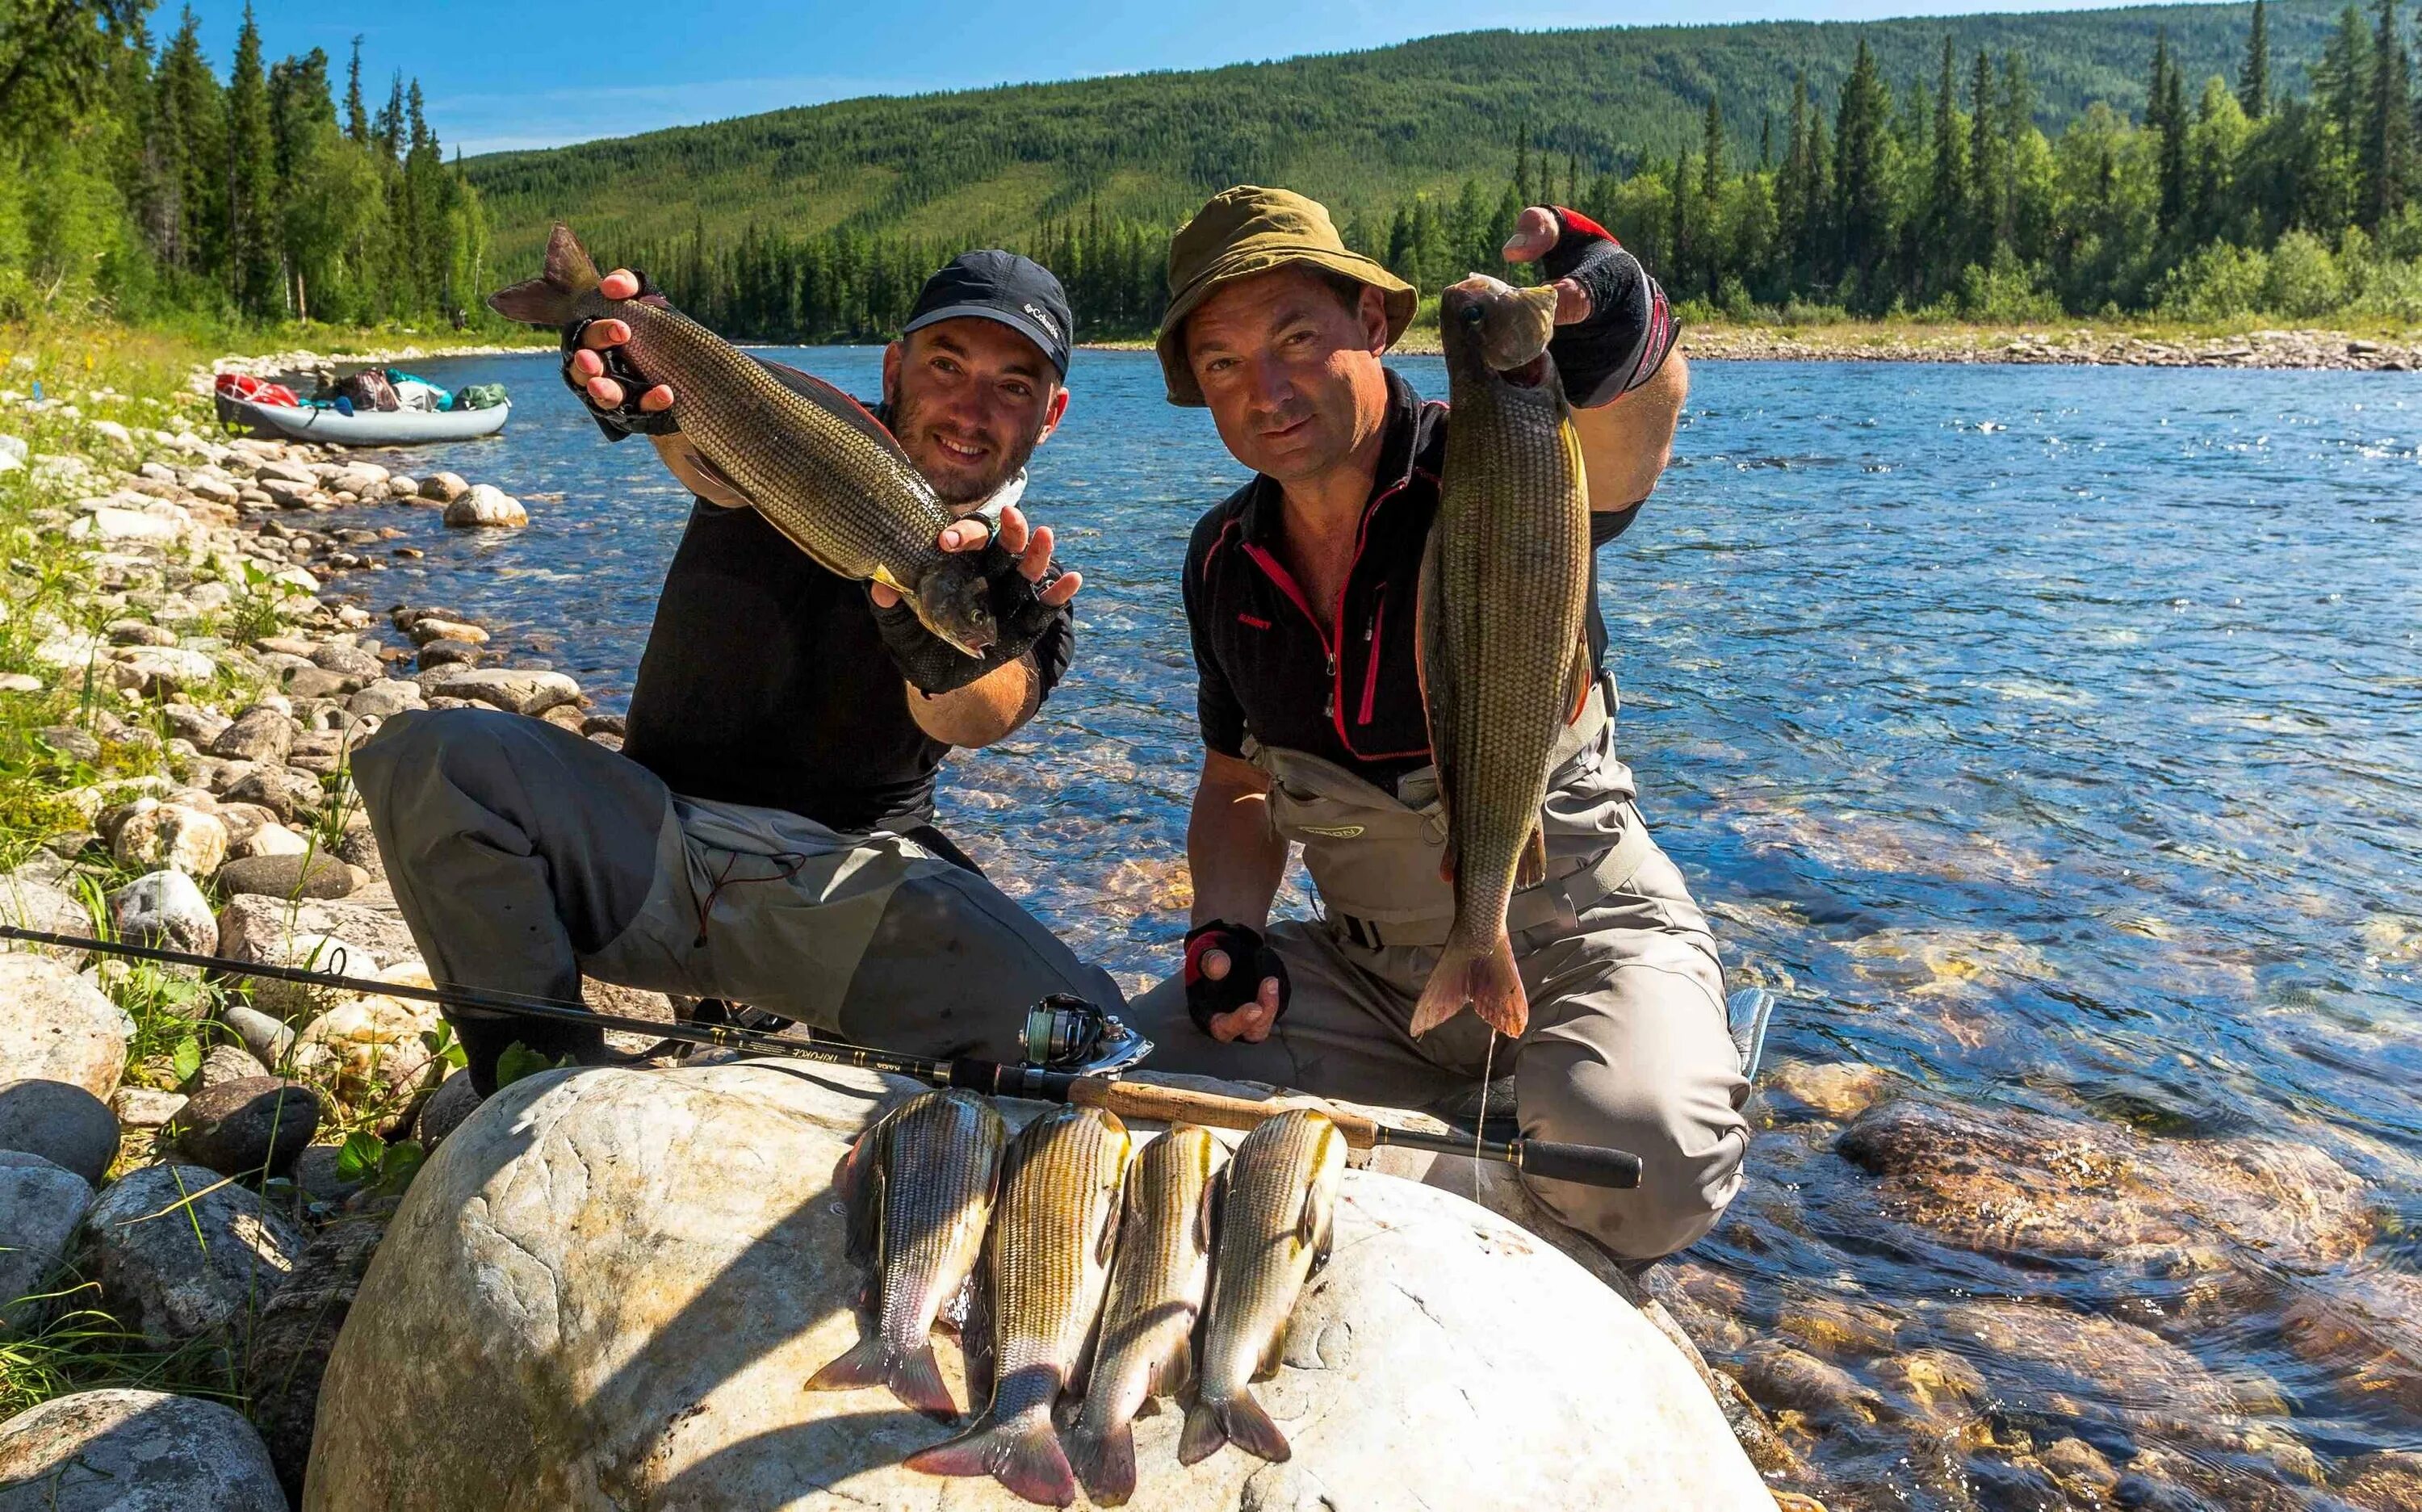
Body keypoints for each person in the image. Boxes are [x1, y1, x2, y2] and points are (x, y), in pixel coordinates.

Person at [1125, 186, 1748, 1264]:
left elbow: (1628, 447)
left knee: (1651, 1169)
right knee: (1119, 1081)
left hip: (1580, 942)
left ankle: (1468, 1158)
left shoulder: (1499, 455)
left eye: (1295, 338)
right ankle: (1460, 1161)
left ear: (1372, 324)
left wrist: (1630, 328)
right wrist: (1224, 933)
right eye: (1223, 364)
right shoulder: (1221, 560)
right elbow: (1236, 785)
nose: (1265, 391)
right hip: (1373, 977)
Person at [353, 250, 1121, 1094]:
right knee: (432, 759)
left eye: (1014, 386)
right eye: (946, 365)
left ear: (1052, 414)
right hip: (644, 847)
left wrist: (947, 660)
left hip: (842, 891)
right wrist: (638, 366)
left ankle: (786, 1027)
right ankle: (540, 1085)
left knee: (1073, 1021)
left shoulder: (1026, 582)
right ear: (895, 367)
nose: (971, 409)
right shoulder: (804, 441)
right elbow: (696, 453)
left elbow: (978, 714)